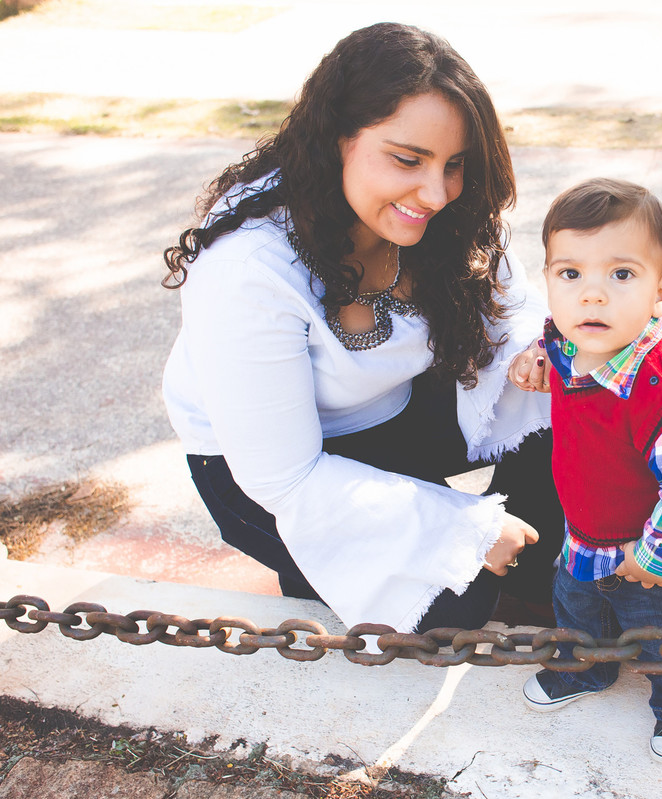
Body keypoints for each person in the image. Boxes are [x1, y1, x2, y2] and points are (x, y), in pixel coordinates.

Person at [160, 23, 563, 634]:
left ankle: (537, 577)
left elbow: (515, 317)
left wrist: (547, 352)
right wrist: (463, 528)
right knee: (454, 610)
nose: (436, 193)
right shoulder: (248, 266)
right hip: (270, 470)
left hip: (393, 410)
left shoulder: (452, 213)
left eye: (454, 164)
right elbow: (284, 476)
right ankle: (323, 573)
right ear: (336, 138)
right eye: (407, 159)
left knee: (572, 393)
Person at [509, 179, 662, 764]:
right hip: (587, 530)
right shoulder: (570, 340)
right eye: (570, 273)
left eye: (622, 274)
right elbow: (551, 339)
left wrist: (656, 555)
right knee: (578, 610)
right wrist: (533, 357)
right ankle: (585, 669)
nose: (592, 296)